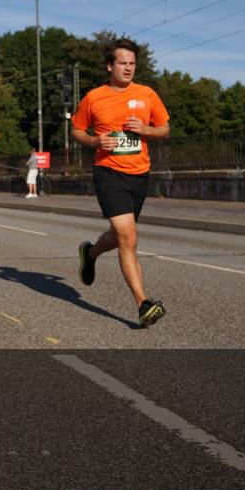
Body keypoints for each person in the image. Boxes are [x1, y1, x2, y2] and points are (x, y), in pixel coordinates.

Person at [70, 38, 170, 327]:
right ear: (109, 66)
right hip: (109, 173)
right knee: (129, 237)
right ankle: (143, 304)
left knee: (120, 236)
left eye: (132, 63)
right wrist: (94, 141)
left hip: (140, 174)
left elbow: (165, 129)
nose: (128, 68)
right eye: (122, 63)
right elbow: (76, 130)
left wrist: (147, 130)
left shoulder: (147, 94)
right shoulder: (94, 97)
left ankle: (90, 253)